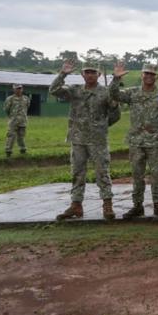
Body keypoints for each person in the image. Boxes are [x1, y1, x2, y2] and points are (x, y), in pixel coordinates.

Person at [51, 62, 114, 220]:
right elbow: (54, 90)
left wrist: (102, 126)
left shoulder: (105, 93)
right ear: (82, 74)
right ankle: (76, 205)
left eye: (93, 72)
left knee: (102, 172)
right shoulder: (75, 90)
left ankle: (107, 205)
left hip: (97, 140)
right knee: (77, 173)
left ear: (99, 74)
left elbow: (115, 113)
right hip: (78, 139)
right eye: (87, 72)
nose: (90, 75)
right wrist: (62, 74)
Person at [110, 62, 158, 219]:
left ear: (156, 77)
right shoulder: (133, 93)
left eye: (152, 74)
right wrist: (116, 79)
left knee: (156, 175)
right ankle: (137, 206)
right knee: (137, 175)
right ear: (141, 75)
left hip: (156, 143)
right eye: (146, 73)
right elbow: (114, 94)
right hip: (136, 142)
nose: (149, 76)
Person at [3, 84, 29, 157]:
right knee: (11, 135)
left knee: (21, 136)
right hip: (13, 121)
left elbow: (27, 107)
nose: (19, 90)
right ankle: (8, 151)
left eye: (20, 88)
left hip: (23, 121)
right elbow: (6, 109)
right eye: (17, 88)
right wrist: (12, 117)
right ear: (14, 89)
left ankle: (23, 149)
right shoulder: (10, 99)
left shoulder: (26, 99)